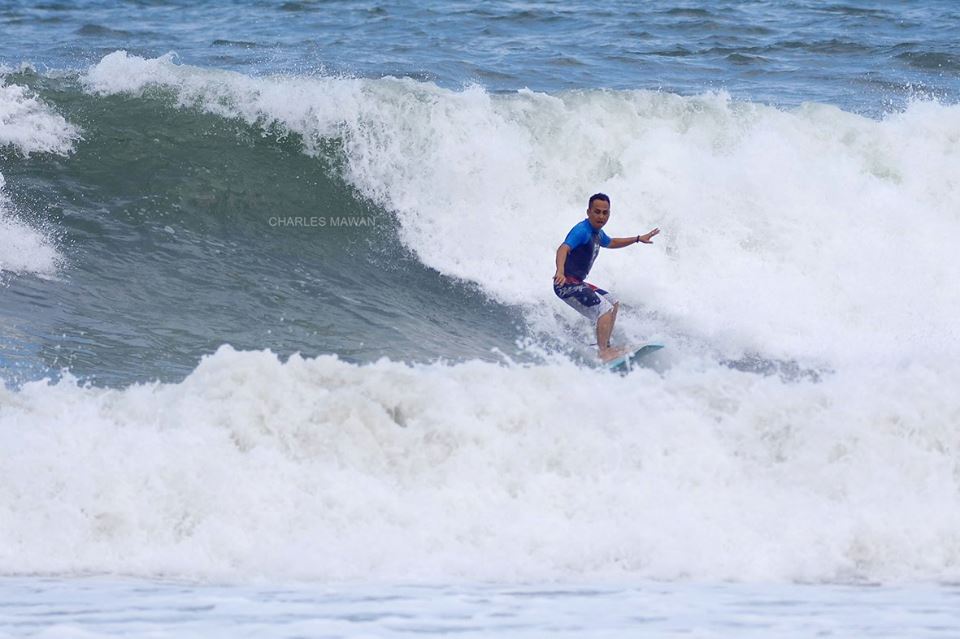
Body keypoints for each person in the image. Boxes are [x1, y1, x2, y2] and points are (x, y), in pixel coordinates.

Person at [553, 193, 659, 362]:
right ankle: (603, 353)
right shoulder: (582, 231)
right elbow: (563, 248)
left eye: (605, 212)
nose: (601, 216)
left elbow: (612, 242)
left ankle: (605, 346)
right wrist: (559, 271)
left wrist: (638, 239)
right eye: (597, 212)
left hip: (578, 282)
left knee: (613, 302)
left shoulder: (597, 233)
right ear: (588, 212)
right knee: (604, 309)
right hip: (566, 284)